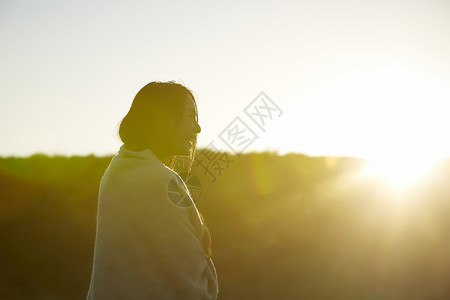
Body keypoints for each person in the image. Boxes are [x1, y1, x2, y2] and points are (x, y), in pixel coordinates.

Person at [86, 81, 219, 299]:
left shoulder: (116, 172)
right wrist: (203, 243)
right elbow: (191, 286)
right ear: (163, 120)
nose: (197, 128)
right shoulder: (160, 181)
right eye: (190, 117)